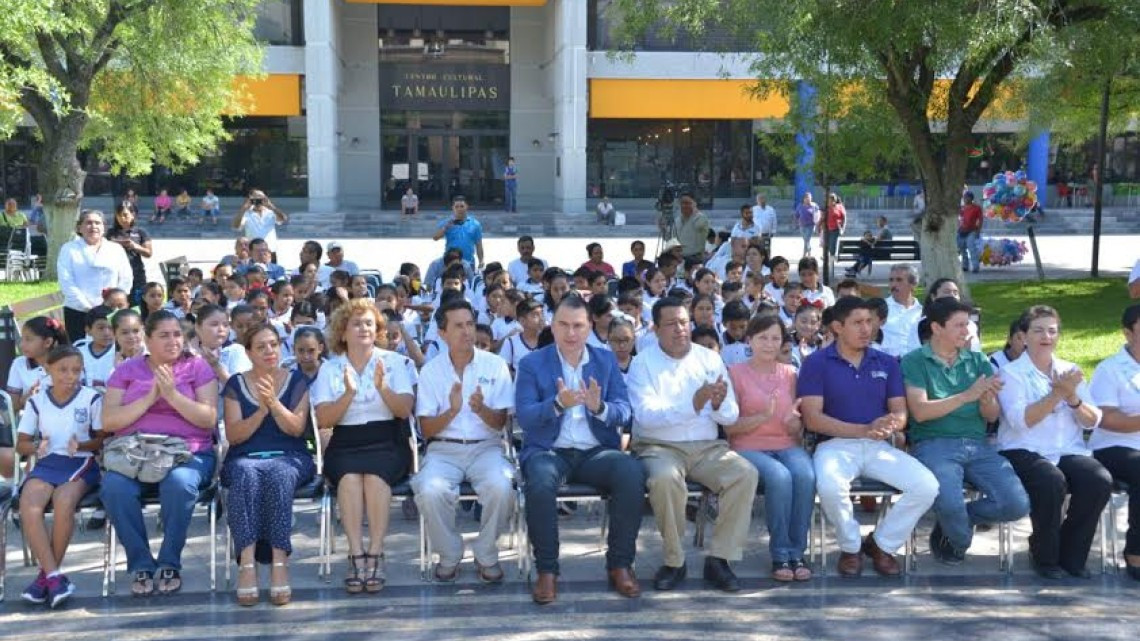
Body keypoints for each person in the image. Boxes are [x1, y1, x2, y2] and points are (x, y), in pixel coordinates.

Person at [515, 295, 643, 604]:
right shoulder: (532, 363)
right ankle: (547, 570)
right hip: (550, 450)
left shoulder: (605, 360)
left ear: (589, 328)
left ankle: (620, 565)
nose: (570, 333)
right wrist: (558, 404)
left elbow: (625, 411)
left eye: (578, 326)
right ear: (553, 325)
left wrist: (600, 408)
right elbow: (526, 417)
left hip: (594, 452)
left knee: (630, 471)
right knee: (541, 479)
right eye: (563, 325)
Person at [797, 296, 938, 577]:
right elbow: (813, 418)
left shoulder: (886, 362)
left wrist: (890, 425)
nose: (866, 329)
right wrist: (863, 429)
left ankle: (881, 544)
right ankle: (850, 548)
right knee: (829, 487)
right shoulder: (816, 363)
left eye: (870, 322)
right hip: (834, 446)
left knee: (926, 486)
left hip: (878, 446)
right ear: (837, 326)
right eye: (858, 323)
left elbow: (900, 414)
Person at [627, 297, 758, 592]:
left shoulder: (709, 359)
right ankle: (674, 561)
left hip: (707, 447)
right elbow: (646, 417)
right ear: (656, 329)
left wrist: (718, 403)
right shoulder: (642, 363)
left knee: (745, 473)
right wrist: (694, 404)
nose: (680, 329)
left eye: (684, 322)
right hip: (658, 446)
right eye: (671, 324)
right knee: (664, 479)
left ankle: (720, 559)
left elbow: (731, 414)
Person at [100, 310, 220, 596]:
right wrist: (150, 397)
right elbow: (109, 422)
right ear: (148, 339)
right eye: (164, 335)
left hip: (188, 452)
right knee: (114, 488)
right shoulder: (126, 371)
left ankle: (169, 561)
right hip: (135, 452)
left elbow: (208, 419)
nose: (173, 341)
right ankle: (140, 563)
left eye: (177, 334)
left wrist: (172, 395)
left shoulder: (198, 368)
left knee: (179, 484)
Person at [902, 298, 1030, 565]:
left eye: (968, 324)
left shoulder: (978, 361)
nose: (967, 331)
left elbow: (992, 415)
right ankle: (956, 537)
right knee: (949, 504)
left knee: (1017, 504)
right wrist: (966, 396)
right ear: (936, 328)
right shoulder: (914, 361)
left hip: (978, 444)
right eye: (959, 325)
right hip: (933, 444)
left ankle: (954, 524)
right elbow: (921, 412)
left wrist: (986, 401)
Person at [997, 305, 1112, 579]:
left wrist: (1072, 397)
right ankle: (1044, 554)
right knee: (1051, 481)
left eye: (1052, 330)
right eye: (1038, 330)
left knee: (1099, 479)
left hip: (1067, 448)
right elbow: (1021, 421)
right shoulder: (1011, 374)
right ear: (1023, 337)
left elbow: (1092, 420)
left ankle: (1072, 555)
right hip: (1023, 448)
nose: (1046, 336)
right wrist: (1056, 395)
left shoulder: (1069, 370)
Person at [312, 299, 415, 593]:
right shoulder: (330, 368)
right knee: (348, 479)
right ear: (343, 332)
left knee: (374, 477)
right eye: (356, 323)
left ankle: (377, 552)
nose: (364, 328)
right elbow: (323, 419)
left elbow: (404, 410)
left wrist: (383, 387)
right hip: (345, 441)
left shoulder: (394, 362)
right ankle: (356, 554)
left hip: (387, 440)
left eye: (369, 323)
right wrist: (347, 394)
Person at [413, 298, 515, 583]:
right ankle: (449, 553)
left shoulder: (496, 366)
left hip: (487, 447)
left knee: (502, 486)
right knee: (429, 489)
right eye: (458, 326)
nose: (467, 332)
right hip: (443, 449)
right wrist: (453, 411)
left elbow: (501, 423)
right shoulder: (431, 371)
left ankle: (486, 553)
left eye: (470, 324)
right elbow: (427, 430)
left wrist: (481, 409)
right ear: (442, 333)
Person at [222, 323, 315, 606]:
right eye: (261, 346)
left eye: (273, 344)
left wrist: (273, 403)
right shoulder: (235, 385)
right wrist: (260, 411)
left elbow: (297, 429)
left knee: (278, 475)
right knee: (244, 475)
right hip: (246, 457)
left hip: (290, 456)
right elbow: (235, 435)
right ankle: (247, 563)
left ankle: (278, 561)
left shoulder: (296, 380)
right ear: (249, 352)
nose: (269, 351)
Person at [726, 315, 814, 581]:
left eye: (775, 338)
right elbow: (729, 428)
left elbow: (797, 429)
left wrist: (793, 423)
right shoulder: (735, 373)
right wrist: (762, 417)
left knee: (806, 475)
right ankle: (780, 554)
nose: (769, 343)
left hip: (786, 443)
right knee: (779, 476)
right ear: (749, 340)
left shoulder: (790, 374)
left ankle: (797, 551)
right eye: (762, 337)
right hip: (747, 446)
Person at [16, 345, 104, 607]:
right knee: (29, 506)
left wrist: (84, 445)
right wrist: (35, 447)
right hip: (47, 462)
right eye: (63, 370)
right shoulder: (37, 401)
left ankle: (45, 578)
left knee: (64, 500)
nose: (70, 375)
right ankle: (53, 575)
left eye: (76, 370)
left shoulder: (91, 398)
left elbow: (101, 439)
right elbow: (21, 443)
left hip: (80, 462)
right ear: (48, 371)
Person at [1089, 304, 1140, 581]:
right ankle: (1136, 552)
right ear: (1127, 333)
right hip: (1114, 446)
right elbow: (1106, 418)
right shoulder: (1110, 369)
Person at [57, 210, 133, 342]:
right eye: (88, 223)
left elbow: (126, 278)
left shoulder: (115, 249)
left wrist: (115, 303)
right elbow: (66, 281)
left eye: (97, 223)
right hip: (78, 311)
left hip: (112, 310)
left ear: (104, 227)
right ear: (79, 227)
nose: (93, 226)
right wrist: (89, 307)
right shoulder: (68, 249)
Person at [106, 205, 154, 305]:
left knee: (138, 306)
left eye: (125, 215)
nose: (122, 218)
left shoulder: (140, 232)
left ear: (133, 215)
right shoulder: (110, 233)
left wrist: (134, 246)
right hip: (116, 276)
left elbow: (148, 253)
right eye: (119, 215)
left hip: (137, 275)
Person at [880, 264, 923, 358]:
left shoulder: (922, 313)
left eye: (899, 280)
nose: (894, 284)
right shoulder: (880, 308)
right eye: (891, 280)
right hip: (887, 364)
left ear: (913, 284)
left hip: (915, 365)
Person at [432, 196, 485, 271]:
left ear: (466, 207)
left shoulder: (475, 224)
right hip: (450, 262)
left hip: (469, 262)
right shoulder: (446, 223)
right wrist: (446, 227)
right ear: (453, 208)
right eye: (456, 207)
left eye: (462, 206)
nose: (459, 209)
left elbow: (479, 244)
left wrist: (481, 261)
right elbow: (435, 237)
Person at [232, 189, 288, 255]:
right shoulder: (246, 213)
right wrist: (244, 208)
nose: (258, 199)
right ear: (250, 198)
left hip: (270, 250)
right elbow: (235, 226)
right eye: (255, 197)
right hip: (253, 251)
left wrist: (271, 206)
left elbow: (283, 219)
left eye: (261, 197)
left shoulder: (271, 212)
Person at [671, 193, 710, 263]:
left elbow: (698, 226)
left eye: (687, 203)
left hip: (695, 258)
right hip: (679, 259)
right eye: (682, 203)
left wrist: (694, 212)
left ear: (694, 204)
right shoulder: (677, 220)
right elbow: (673, 239)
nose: (684, 206)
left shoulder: (701, 218)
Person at [958, 191, 983, 274]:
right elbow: (959, 218)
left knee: (972, 248)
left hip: (972, 230)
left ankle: (975, 267)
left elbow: (980, 219)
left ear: (971, 198)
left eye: (967, 197)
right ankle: (965, 266)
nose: (965, 199)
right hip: (961, 231)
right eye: (964, 197)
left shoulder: (976, 208)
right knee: (962, 249)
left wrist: (978, 230)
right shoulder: (962, 208)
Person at [818, 193, 847, 259]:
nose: (830, 202)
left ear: (835, 200)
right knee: (826, 245)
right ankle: (826, 258)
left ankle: (831, 260)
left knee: (832, 245)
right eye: (829, 200)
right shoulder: (825, 208)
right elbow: (822, 218)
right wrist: (819, 226)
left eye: (832, 200)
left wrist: (843, 228)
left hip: (835, 229)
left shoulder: (840, 207)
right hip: (826, 229)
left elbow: (844, 218)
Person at [795, 192, 820, 257]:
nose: (808, 199)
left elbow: (818, 214)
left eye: (809, 197)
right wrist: (798, 222)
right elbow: (797, 215)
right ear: (803, 199)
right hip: (802, 226)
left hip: (810, 226)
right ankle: (808, 252)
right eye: (806, 198)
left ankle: (805, 254)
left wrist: (817, 223)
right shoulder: (800, 205)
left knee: (807, 239)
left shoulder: (814, 205)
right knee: (806, 240)